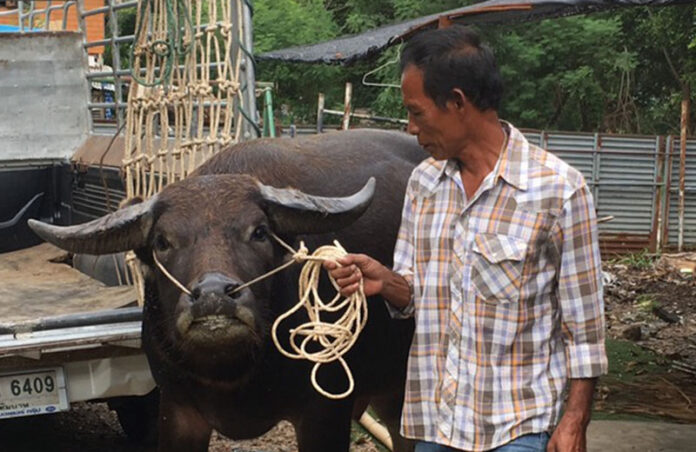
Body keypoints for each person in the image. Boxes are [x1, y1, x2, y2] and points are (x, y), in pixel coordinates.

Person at [325, 26, 607, 452]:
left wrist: (574, 420)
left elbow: (584, 329)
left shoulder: (559, 191)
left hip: (517, 429)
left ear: (457, 102)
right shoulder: (423, 184)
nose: (410, 126)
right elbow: (419, 294)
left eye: (417, 113)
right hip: (437, 426)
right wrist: (386, 281)